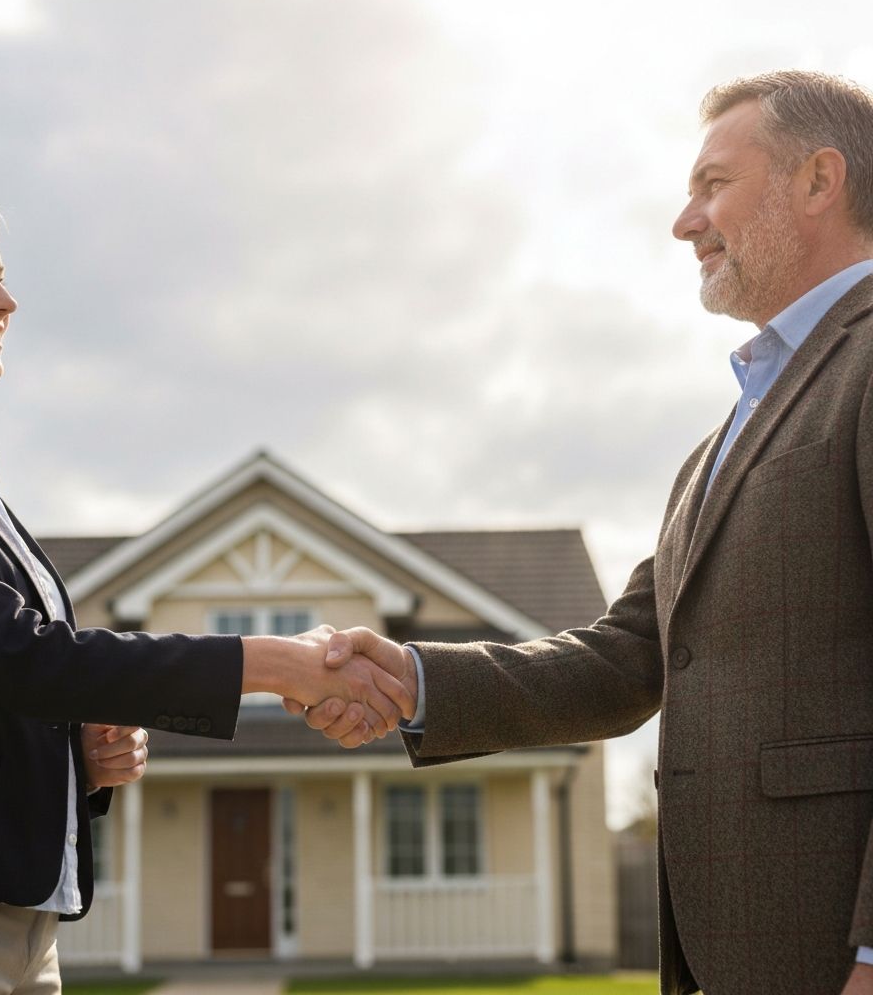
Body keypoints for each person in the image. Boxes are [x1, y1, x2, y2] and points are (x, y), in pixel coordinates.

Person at [290, 71, 873, 995]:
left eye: (714, 184)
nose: (685, 222)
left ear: (819, 180)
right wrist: (411, 678)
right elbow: (627, 656)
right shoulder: (720, 444)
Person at [0, 177, 414, 995]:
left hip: (23, 919)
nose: (5, 300)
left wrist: (72, 759)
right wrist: (274, 664)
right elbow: (19, 654)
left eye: (1, 274)